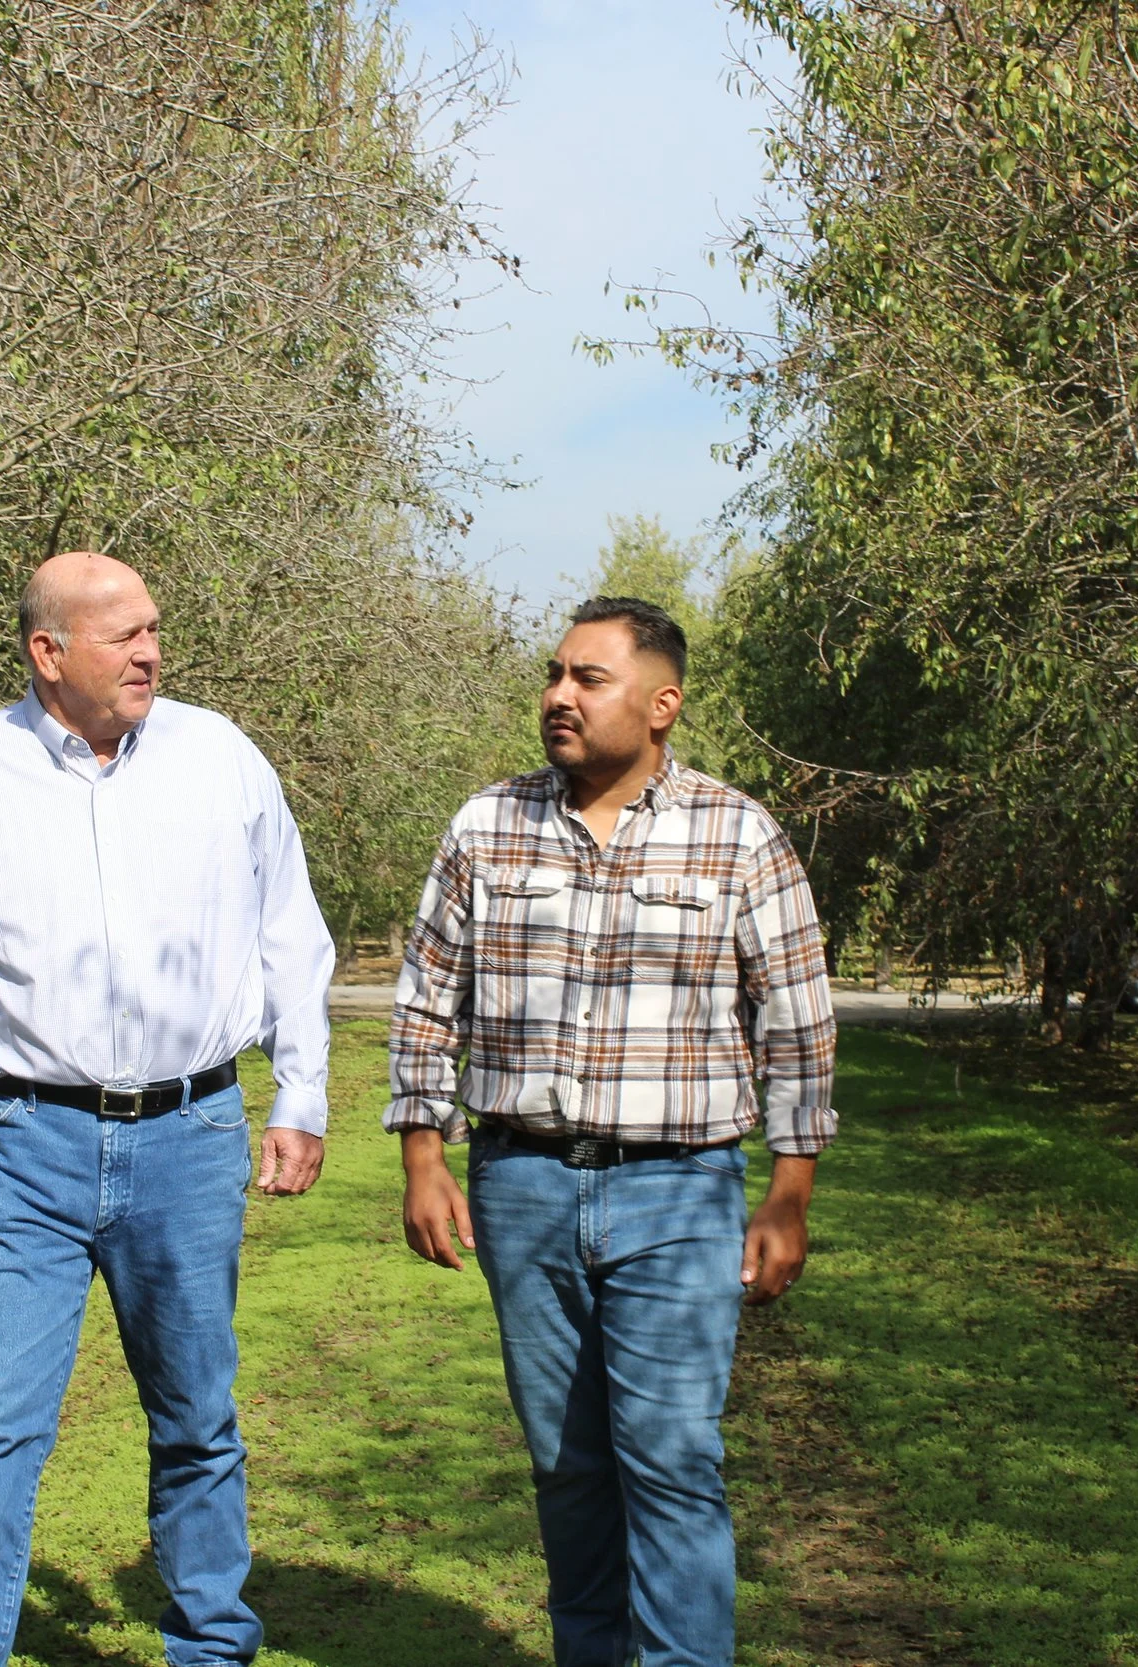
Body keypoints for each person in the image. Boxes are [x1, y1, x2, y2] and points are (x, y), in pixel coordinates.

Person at [0, 551, 336, 1667]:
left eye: (152, 629)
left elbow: (292, 928)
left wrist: (304, 1091)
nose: (151, 651)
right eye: (123, 634)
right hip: (24, 1144)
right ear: (49, 653)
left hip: (190, 1137)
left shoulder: (220, 755)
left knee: (197, 1418)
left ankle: (210, 1647)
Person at [387, 596, 837, 1667]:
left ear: (661, 701)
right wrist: (423, 1153)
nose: (556, 695)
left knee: (672, 1458)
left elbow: (798, 1016)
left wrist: (789, 1190)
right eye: (553, 674)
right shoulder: (485, 824)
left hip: (675, 1193)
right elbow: (423, 1001)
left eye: (587, 678)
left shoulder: (736, 832)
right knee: (568, 1463)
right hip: (523, 1183)